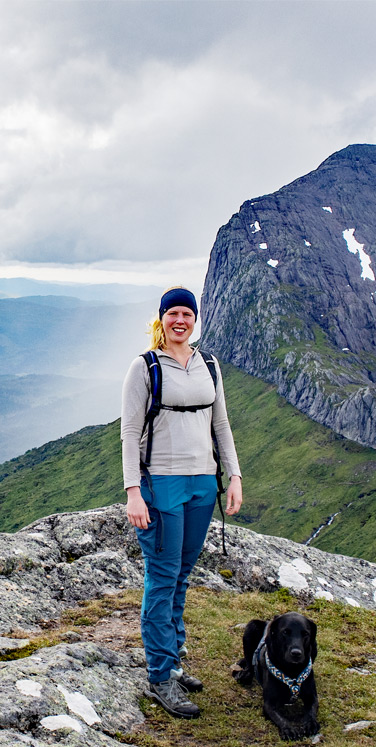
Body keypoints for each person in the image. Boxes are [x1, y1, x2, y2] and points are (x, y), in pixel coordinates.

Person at [121, 285, 242, 719]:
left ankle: (172, 660)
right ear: (162, 319)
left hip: (202, 484)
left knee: (182, 575)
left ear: (195, 320)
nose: (180, 321)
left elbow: (221, 423)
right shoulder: (145, 367)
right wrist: (133, 492)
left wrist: (233, 476)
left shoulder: (209, 365)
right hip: (161, 483)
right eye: (172, 314)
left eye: (187, 314)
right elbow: (129, 432)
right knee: (162, 575)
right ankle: (159, 676)